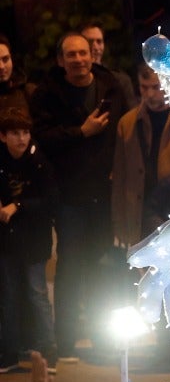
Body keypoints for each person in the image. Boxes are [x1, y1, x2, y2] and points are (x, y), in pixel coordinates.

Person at [31, 31, 133, 359]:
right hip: (68, 196)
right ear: (61, 61)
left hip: (105, 195)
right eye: (70, 55)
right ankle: (66, 343)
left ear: (92, 55)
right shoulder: (47, 94)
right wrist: (80, 132)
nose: (78, 60)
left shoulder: (112, 86)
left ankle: (104, 342)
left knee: (104, 266)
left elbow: (126, 128)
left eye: (83, 53)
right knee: (71, 268)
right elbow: (41, 139)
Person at [111, 62, 170, 251]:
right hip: (139, 213)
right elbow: (120, 178)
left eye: (156, 87)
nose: (150, 94)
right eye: (144, 87)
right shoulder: (127, 123)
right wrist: (120, 225)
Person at [0, 111, 58, 368]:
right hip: (7, 241)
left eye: (25, 132)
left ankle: (48, 350)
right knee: (9, 296)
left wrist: (17, 205)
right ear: (3, 137)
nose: (21, 138)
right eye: (14, 133)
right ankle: (10, 352)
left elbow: (50, 200)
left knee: (37, 293)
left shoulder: (39, 162)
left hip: (34, 240)